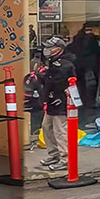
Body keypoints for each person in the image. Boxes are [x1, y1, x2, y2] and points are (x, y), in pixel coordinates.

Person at [35, 37, 77, 173]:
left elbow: (58, 82)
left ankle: (65, 159)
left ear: (59, 49)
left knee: (60, 131)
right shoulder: (52, 62)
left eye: (50, 47)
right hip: (51, 101)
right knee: (46, 127)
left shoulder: (65, 64)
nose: (47, 50)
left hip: (61, 101)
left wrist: (45, 75)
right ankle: (54, 154)